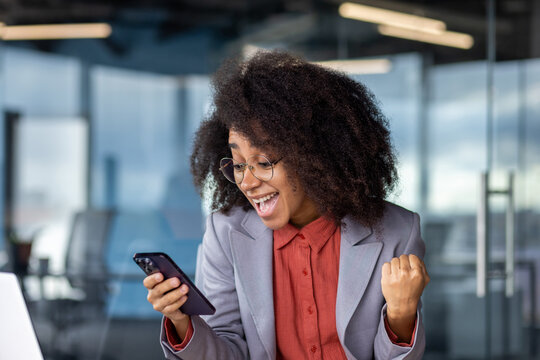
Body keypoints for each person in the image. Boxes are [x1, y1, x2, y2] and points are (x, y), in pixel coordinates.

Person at [143, 51, 430, 360]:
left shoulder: (396, 231)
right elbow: (228, 350)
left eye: (263, 162)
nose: (247, 182)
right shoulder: (225, 232)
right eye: (239, 165)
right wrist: (182, 321)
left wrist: (401, 314)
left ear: (315, 156)